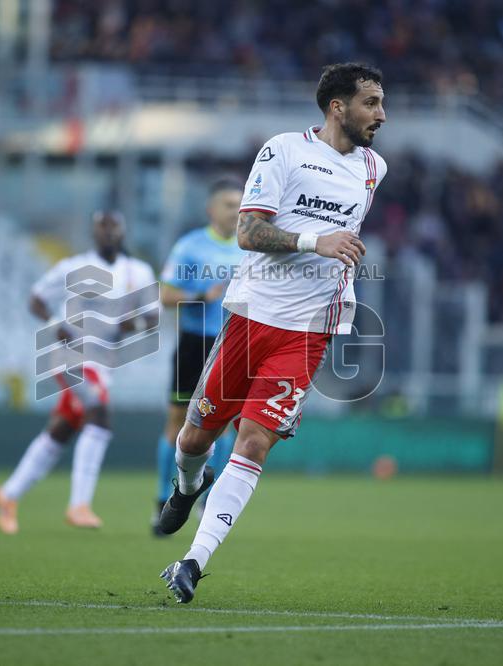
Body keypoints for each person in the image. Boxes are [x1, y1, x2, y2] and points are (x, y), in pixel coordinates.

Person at [158, 62, 388, 603]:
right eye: (371, 103)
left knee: (254, 440)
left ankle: (193, 561)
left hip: (309, 329)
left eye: (381, 103)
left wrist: (333, 250)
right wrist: (315, 241)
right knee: (194, 439)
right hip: (252, 315)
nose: (381, 114)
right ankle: (188, 485)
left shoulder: (374, 167)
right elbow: (247, 231)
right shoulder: (283, 150)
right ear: (337, 107)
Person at [0, 211, 157, 532]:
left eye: (113, 227)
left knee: (63, 427)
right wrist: (56, 324)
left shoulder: (138, 272)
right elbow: (36, 299)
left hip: (103, 360)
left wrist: (132, 325)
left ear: (122, 232)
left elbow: (152, 318)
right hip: (70, 356)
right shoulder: (72, 267)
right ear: (93, 233)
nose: (108, 232)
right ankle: (79, 505)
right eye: (102, 227)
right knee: (99, 413)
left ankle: (9, 494)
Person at [152, 177, 246, 536]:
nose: (236, 211)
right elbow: (165, 296)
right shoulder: (190, 247)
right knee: (178, 422)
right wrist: (200, 297)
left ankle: (208, 501)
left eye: (240, 205)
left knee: (222, 425)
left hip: (233, 344)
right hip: (194, 343)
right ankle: (163, 500)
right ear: (211, 209)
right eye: (229, 205)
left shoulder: (251, 247)